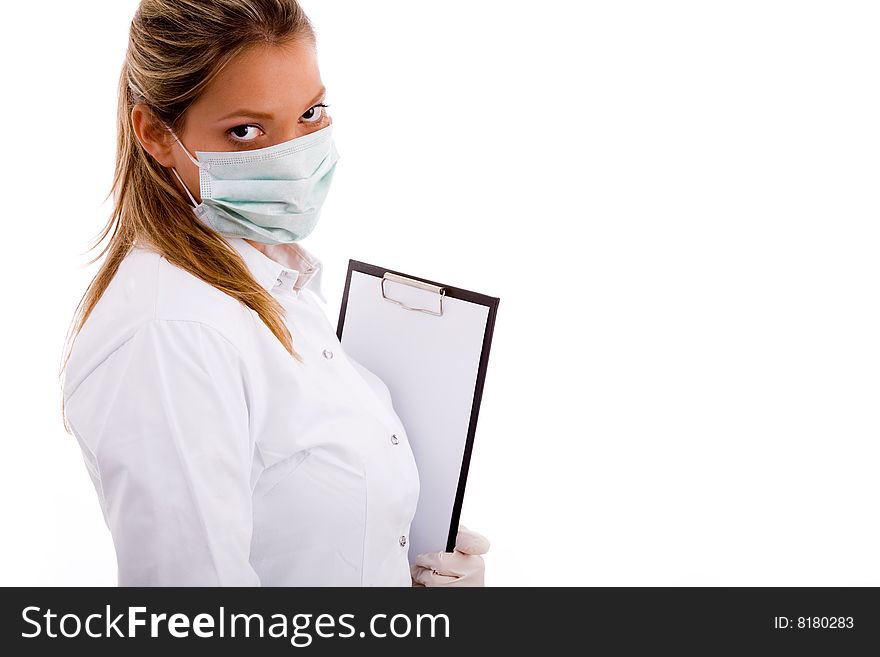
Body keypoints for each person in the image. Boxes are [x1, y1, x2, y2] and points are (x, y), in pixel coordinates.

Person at [59, 0, 489, 587]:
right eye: (246, 130)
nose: (293, 156)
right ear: (156, 134)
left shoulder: (273, 284)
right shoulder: (173, 334)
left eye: (311, 113)